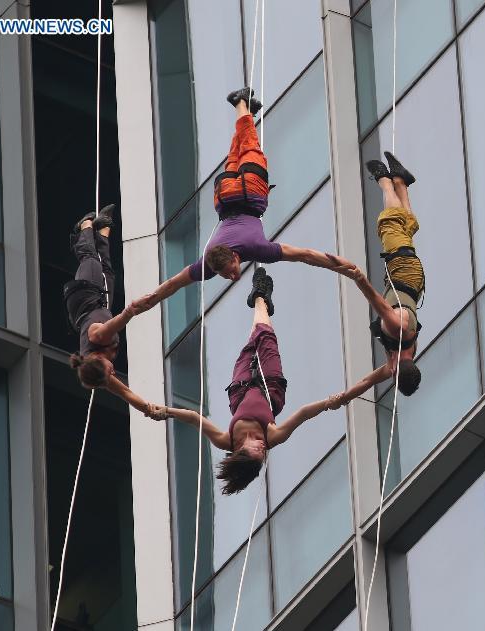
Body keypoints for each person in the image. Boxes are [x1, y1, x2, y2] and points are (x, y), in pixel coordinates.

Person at [139, 88, 353, 313]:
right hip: (224, 196)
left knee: (250, 142)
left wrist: (340, 266)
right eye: (225, 275)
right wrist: (149, 300)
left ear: (234, 256)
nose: (231, 276)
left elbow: (304, 255)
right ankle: (245, 111)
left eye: (230, 270)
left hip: (251, 191)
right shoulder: (208, 264)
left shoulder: (256, 249)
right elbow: (172, 284)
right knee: (237, 149)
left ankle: (240, 102)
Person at [148, 267, 343, 494]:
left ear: (242, 452)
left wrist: (166, 412)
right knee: (266, 336)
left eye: (257, 451)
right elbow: (303, 414)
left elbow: (194, 418)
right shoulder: (273, 436)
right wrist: (329, 402)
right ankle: (260, 298)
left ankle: (261, 299)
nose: (263, 448)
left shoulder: (226, 440)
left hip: (240, 388)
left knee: (252, 342)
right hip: (270, 385)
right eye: (263, 453)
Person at [334, 152, 424, 403]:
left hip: (409, 279)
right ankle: (385, 180)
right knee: (390, 223)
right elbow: (378, 304)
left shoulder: (406, 351)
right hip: (402, 270)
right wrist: (359, 279)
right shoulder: (398, 330)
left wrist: (344, 397)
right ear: (395, 373)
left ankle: (401, 182)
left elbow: (367, 381)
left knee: (404, 228)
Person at [64, 206, 151, 412]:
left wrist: (131, 311)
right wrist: (148, 409)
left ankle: (84, 226)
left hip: (87, 296)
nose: (113, 374)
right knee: (108, 271)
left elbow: (115, 324)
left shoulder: (97, 337)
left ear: (96, 359)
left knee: (90, 258)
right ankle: (103, 229)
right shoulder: (100, 372)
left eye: (109, 373)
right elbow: (125, 393)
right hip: (101, 304)